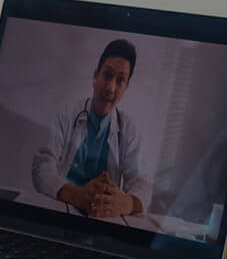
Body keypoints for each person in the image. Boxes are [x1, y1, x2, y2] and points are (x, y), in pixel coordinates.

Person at [30, 39, 152, 219]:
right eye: (107, 75)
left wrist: (123, 204)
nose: (111, 88)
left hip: (101, 219)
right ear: (96, 76)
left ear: (126, 87)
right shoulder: (67, 113)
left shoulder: (129, 128)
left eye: (120, 80)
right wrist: (77, 195)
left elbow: (142, 183)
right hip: (62, 209)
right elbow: (42, 166)